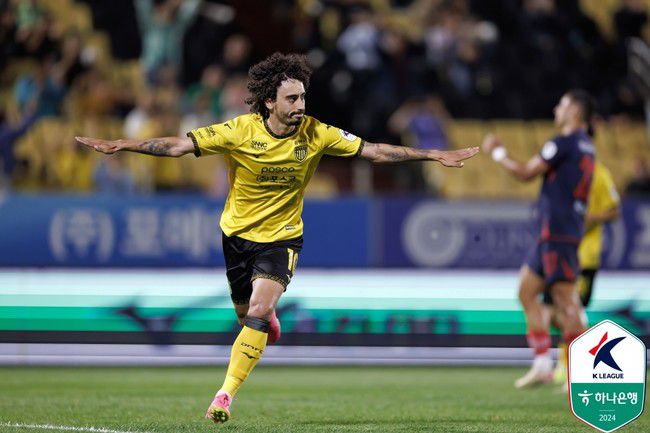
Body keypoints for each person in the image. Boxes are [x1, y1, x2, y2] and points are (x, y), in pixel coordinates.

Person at [75, 52, 479, 423]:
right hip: (236, 236)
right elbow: (178, 145)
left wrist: (432, 154)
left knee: (257, 309)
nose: (300, 105)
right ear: (269, 101)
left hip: (282, 239)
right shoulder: (239, 130)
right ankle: (264, 319)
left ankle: (224, 396)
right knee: (247, 319)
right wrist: (123, 145)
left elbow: (372, 151)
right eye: (291, 99)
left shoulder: (316, 133)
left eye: (302, 97)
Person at [481, 89, 596, 389]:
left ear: (574, 111)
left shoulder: (563, 143)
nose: (556, 109)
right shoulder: (587, 146)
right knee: (527, 291)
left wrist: (498, 152)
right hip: (556, 231)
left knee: (565, 300)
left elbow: (525, 173)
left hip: (558, 231)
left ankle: (583, 373)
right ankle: (543, 364)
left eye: (562, 104)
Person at [545, 160, 620, 385]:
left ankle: (572, 365)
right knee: (556, 309)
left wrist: (589, 219)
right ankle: (569, 362)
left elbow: (614, 210)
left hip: (585, 255)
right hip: (561, 250)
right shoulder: (562, 174)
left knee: (573, 309)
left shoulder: (600, 174)